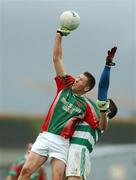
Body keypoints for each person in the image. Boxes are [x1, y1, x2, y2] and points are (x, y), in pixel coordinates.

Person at [18, 24, 107, 180]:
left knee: (57, 178)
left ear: (86, 88)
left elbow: (100, 126)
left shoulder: (87, 106)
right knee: (26, 171)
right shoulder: (65, 84)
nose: (76, 79)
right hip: (46, 136)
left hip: (62, 143)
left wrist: (104, 111)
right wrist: (59, 35)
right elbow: (56, 58)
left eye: (80, 80)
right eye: (78, 77)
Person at [65, 47, 118, 180]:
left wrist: (107, 66)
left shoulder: (100, 116)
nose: (100, 101)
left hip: (79, 151)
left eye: (105, 101)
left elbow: (102, 88)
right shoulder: (89, 110)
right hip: (68, 149)